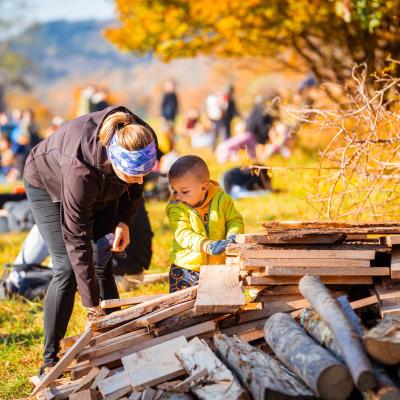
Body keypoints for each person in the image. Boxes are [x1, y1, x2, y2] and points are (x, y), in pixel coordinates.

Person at [23, 106, 158, 378]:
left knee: (103, 261)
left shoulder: (140, 137)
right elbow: (77, 239)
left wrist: (124, 221)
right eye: (133, 175)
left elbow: (135, 184)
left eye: (143, 173)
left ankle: (117, 342)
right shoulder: (80, 172)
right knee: (66, 269)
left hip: (104, 181)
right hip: (46, 182)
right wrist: (91, 304)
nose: (140, 181)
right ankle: (51, 359)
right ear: (115, 161)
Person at [166, 155, 244, 292]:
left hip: (218, 267)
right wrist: (205, 245)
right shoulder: (176, 207)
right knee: (182, 307)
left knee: (217, 304)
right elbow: (183, 234)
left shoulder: (222, 199)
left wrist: (233, 235)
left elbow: (234, 220)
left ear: (204, 187)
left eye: (184, 191)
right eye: (174, 190)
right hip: (186, 268)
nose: (177, 196)